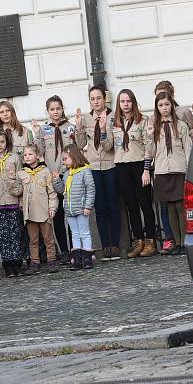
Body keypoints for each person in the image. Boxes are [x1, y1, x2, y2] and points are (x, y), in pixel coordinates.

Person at [75, 85, 121, 261]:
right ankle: (106, 245)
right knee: (100, 208)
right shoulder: (86, 118)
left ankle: (115, 245)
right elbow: (79, 144)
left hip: (110, 166)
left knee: (113, 206)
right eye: (92, 99)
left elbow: (109, 146)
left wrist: (102, 131)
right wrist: (79, 126)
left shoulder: (113, 117)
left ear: (105, 99)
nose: (96, 102)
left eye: (99, 98)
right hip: (93, 167)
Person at [145, 92, 193, 254]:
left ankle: (184, 242)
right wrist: (150, 136)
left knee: (180, 206)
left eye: (166, 104)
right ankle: (176, 242)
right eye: (160, 105)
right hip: (162, 171)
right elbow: (150, 152)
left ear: (171, 105)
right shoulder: (154, 127)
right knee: (170, 208)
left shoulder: (180, 125)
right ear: (157, 108)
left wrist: (189, 171)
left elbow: (188, 149)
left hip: (179, 170)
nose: (164, 108)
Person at [113, 89, 157, 258]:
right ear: (119, 103)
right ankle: (138, 241)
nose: (126, 104)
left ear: (133, 102)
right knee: (131, 205)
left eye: (128, 101)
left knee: (145, 203)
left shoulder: (143, 120)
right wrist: (102, 130)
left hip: (139, 165)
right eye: (122, 101)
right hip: (122, 165)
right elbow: (108, 145)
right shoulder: (113, 123)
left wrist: (146, 170)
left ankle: (150, 241)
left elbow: (148, 146)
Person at [34, 95, 76, 263]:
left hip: (68, 174)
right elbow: (39, 151)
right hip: (52, 177)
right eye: (52, 109)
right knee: (57, 217)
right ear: (48, 111)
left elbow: (78, 146)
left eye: (58, 108)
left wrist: (78, 128)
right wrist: (36, 134)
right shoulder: (44, 130)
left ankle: (75, 248)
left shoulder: (70, 127)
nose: (56, 112)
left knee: (72, 213)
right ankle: (64, 250)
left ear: (62, 108)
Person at [0, 129, 24, 278]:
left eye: (2, 142)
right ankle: (7, 264)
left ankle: (16, 262)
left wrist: (21, 200)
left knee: (15, 233)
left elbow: (21, 179)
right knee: (3, 235)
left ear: (6, 142)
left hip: (14, 201)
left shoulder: (14, 158)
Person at [52, 144, 95, 270]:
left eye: (65, 159)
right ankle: (76, 259)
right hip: (70, 210)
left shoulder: (85, 171)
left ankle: (87, 258)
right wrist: (56, 181)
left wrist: (88, 206)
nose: (64, 162)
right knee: (75, 234)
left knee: (84, 233)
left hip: (81, 208)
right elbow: (62, 190)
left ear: (74, 156)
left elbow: (90, 190)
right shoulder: (67, 174)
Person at [19, 145, 59, 275]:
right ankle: (35, 262)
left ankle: (52, 260)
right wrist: (12, 177)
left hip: (44, 211)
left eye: (30, 154)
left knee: (48, 238)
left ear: (37, 156)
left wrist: (52, 207)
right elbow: (18, 192)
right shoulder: (22, 173)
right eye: (25, 155)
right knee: (33, 240)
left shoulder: (45, 171)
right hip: (30, 213)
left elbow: (51, 192)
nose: (27, 157)